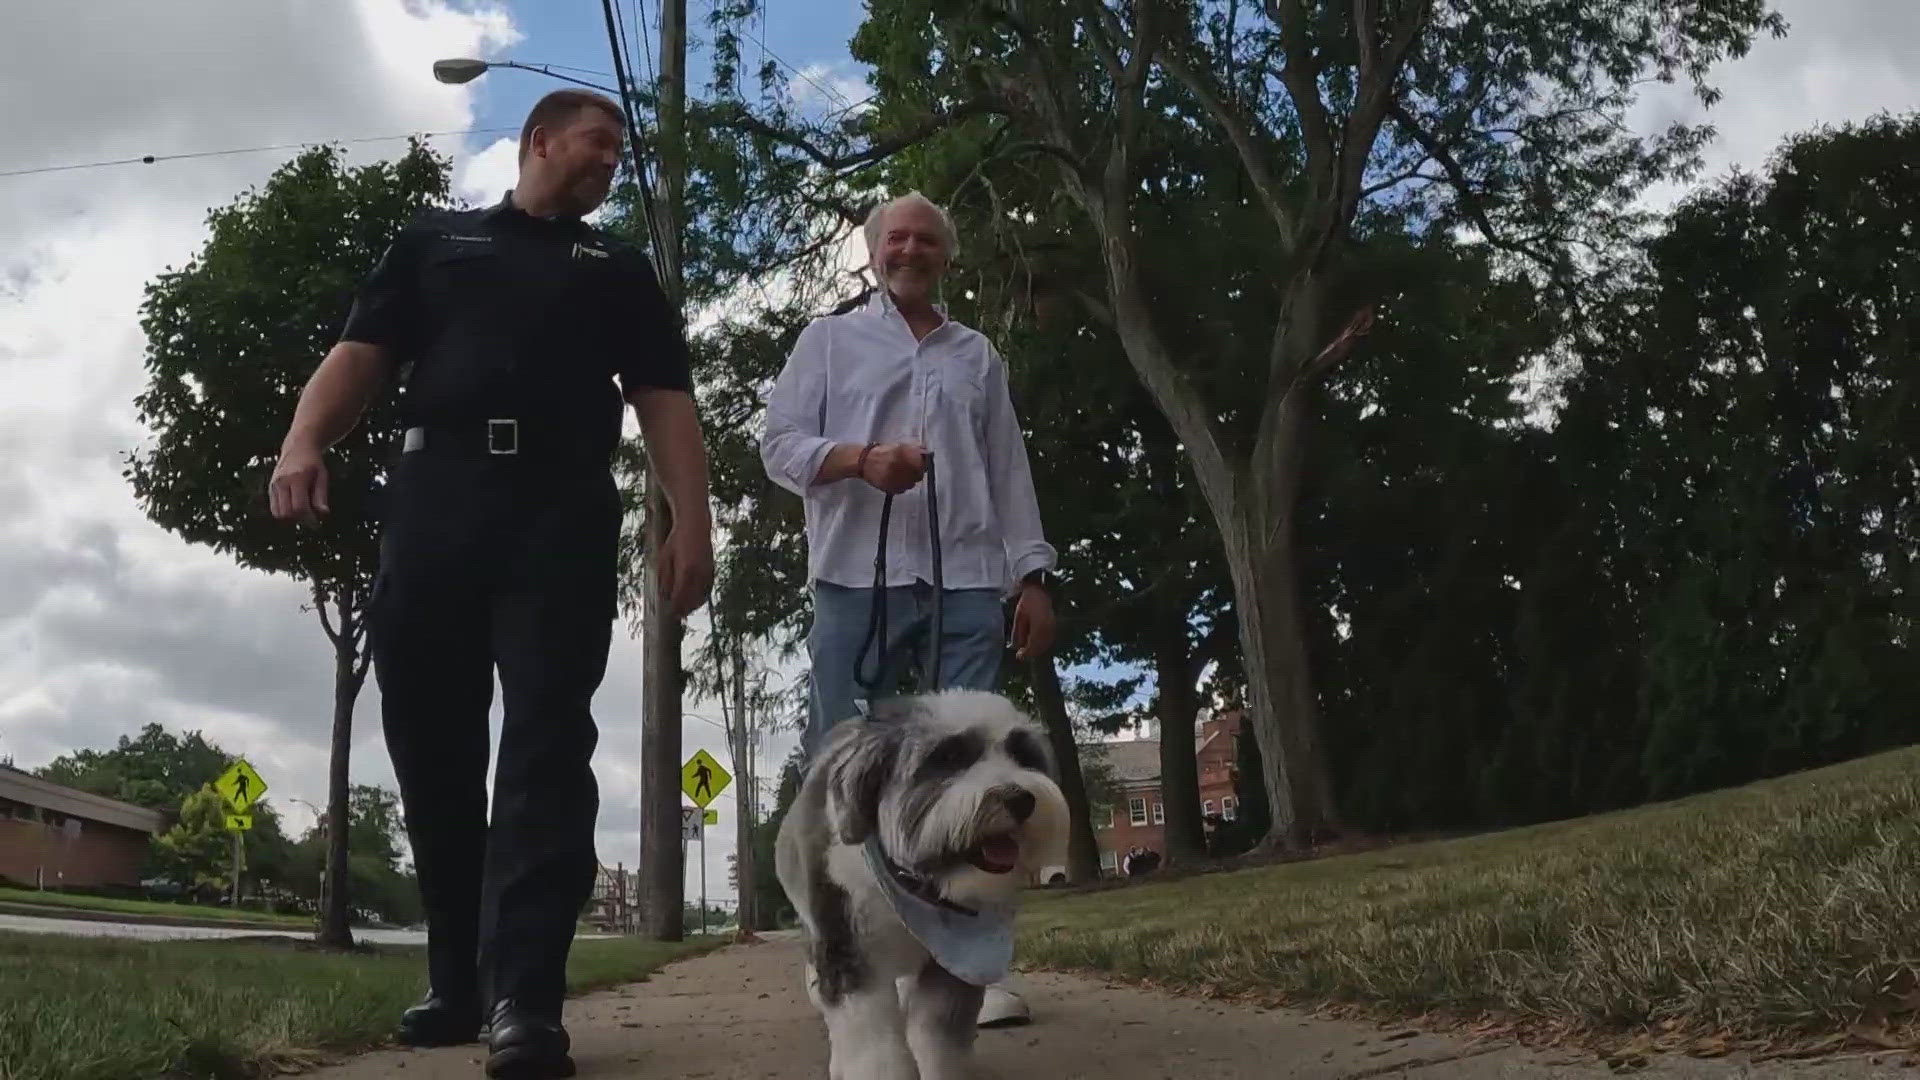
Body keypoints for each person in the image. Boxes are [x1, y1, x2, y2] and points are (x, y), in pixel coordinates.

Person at [269, 88, 712, 1079]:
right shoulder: (435, 241)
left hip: (562, 511)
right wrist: (303, 440)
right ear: (540, 139)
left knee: (548, 743)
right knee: (431, 743)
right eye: (599, 142)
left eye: (619, 151)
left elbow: (665, 402)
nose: (612, 160)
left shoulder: (620, 269)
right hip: (437, 501)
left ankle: (527, 999)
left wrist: (693, 521)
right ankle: (456, 977)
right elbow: (359, 356)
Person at [758, 189, 1057, 1028]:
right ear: (873, 251)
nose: (910, 250)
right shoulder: (828, 342)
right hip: (858, 578)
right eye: (897, 238)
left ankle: (968, 966)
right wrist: (858, 460)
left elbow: (1008, 473)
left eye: (927, 239)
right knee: (843, 772)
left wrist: (1032, 576)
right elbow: (777, 445)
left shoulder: (976, 356)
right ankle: (844, 951)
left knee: (976, 775)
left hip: (967, 579)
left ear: (945, 257)